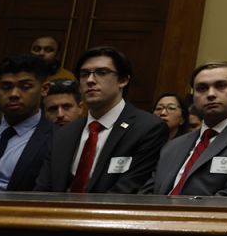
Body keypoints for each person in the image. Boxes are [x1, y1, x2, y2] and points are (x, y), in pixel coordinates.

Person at [35, 46, 168, 193]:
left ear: (123, 80)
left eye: (102, 72)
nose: (90, 80)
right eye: (84, 74)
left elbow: (129, 189)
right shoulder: (64, 133)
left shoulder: (147, 128)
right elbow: (43, 188)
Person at [150, 60, 227, 196]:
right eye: (202, 88)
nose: (210, 94)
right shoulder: (173, 146)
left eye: (221, 86)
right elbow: (147, 194)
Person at [0, 54, 54, 192]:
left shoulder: (56, 138)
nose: (14, 94)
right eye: (6, 87)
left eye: (25, 87)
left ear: (44, 89)